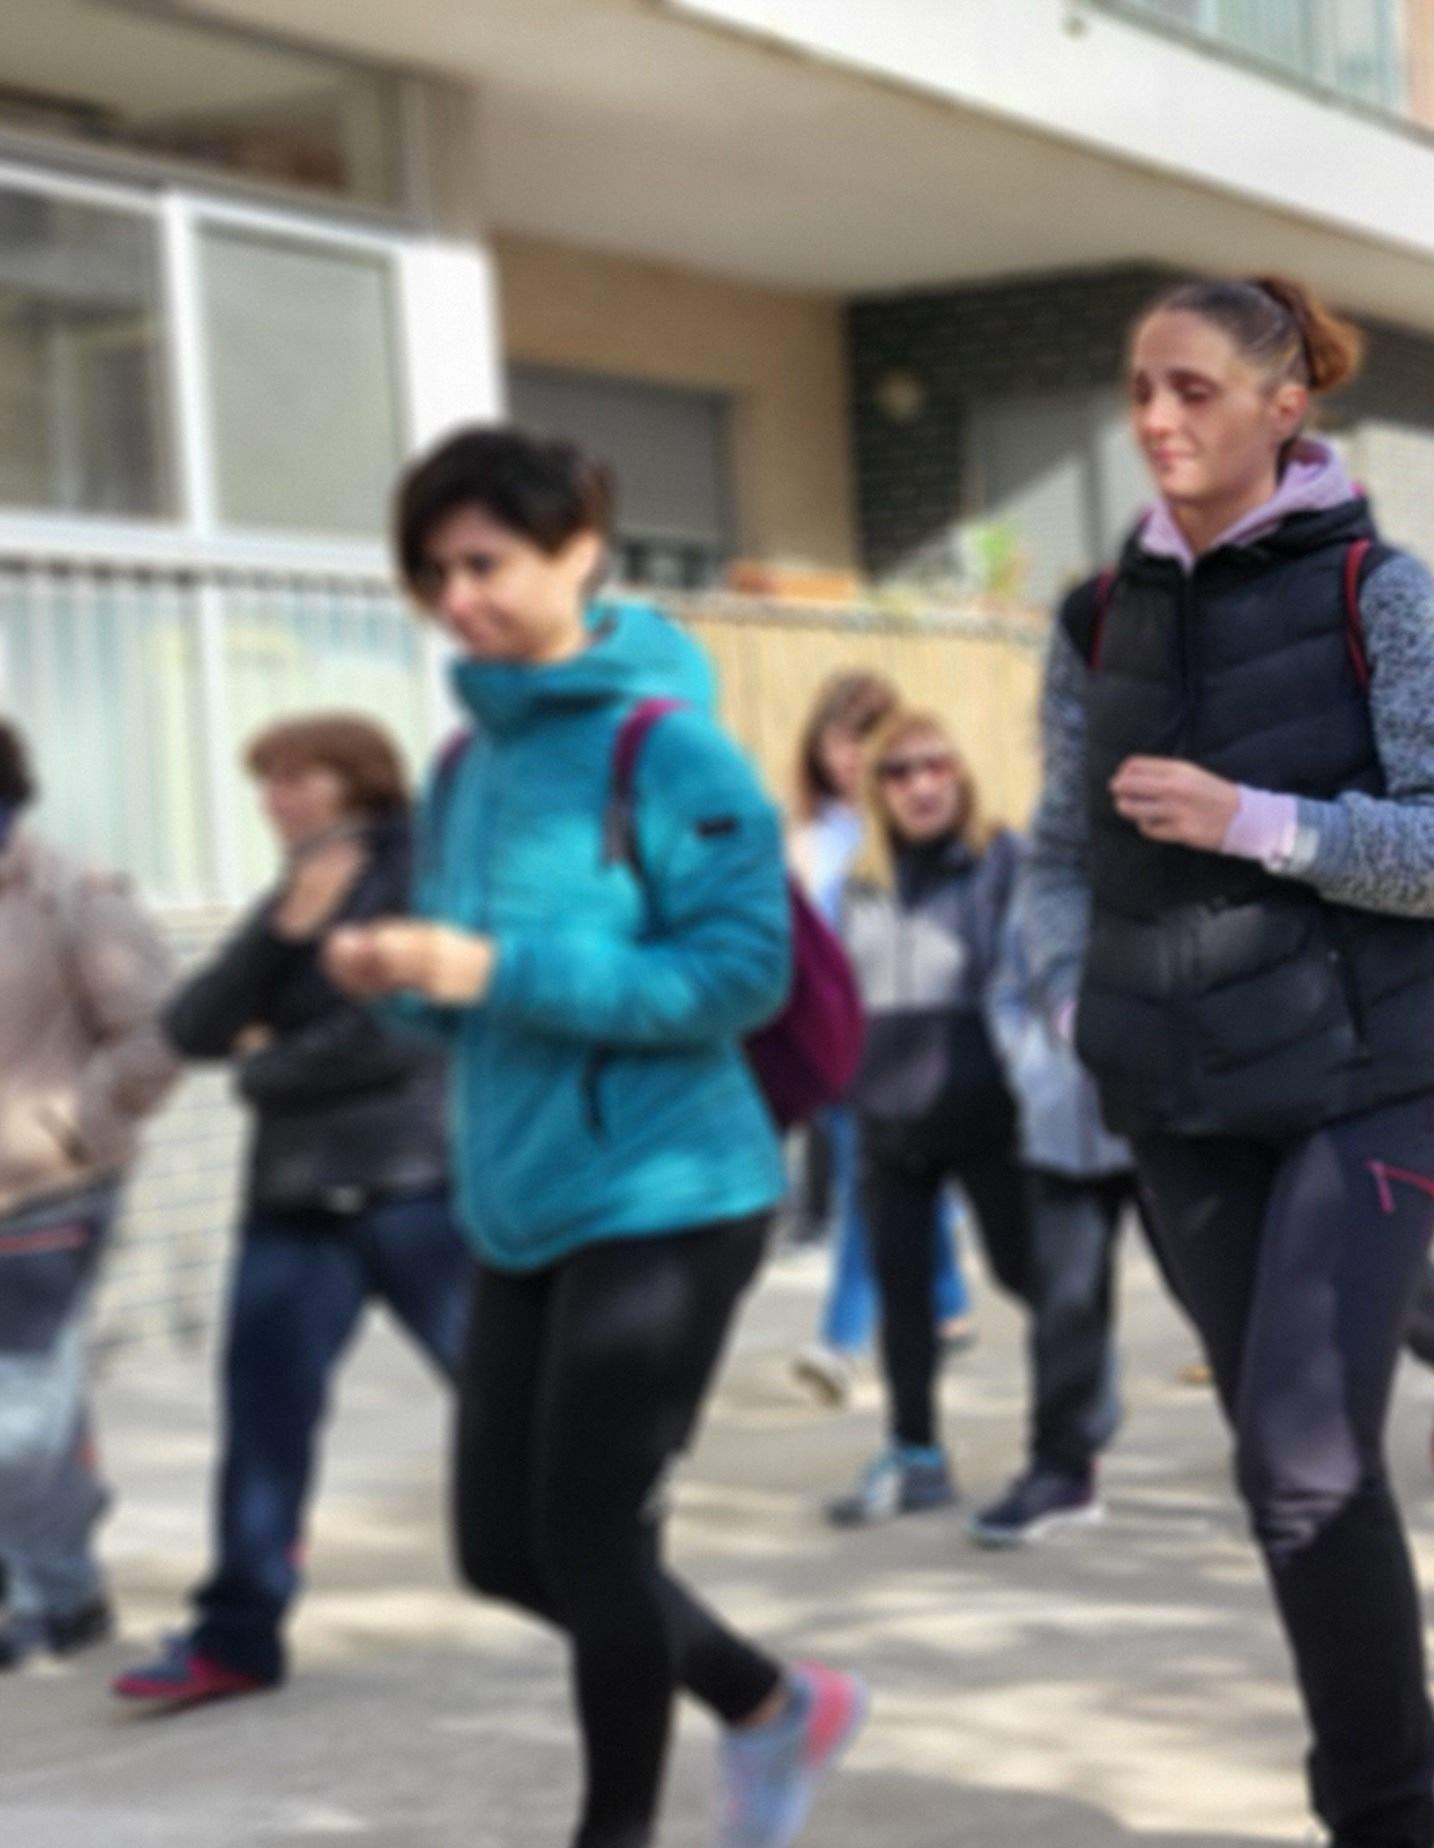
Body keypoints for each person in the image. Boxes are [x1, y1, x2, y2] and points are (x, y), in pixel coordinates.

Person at [1015, 273, 1434, 1846]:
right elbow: (1050, 848)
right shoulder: (1096, 615)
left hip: (1366, 1077)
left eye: (1194, 390)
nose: (1157, 419)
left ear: (1283, 405)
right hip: (1176, 1098)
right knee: (1282, 1476)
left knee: (1304, 1464)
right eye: (1140, 388)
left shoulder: (1378, 586)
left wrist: (1264, 823)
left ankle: (1384, 1824)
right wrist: (1061, 997)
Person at [329, 426, 861, 1848]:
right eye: (433, 571)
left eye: (487, 563)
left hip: (675, 1193)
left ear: (580, 554)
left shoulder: (668, 747)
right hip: (520, 1199)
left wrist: (487, 970)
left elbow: (736, 975)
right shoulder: (464, 766)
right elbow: (475, 1005)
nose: (459, 598)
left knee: (593, 1537)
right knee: (502, 1550)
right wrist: (403, 980)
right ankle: (769, 1702)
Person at [113, 715, 466, 1709]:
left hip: (413, 1186)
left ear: (355, 782)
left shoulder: (418, 872)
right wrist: (280, 933)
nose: (272, 799)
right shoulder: (293, 891)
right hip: (294, 1200)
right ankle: (238, 1634)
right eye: (264, 781)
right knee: (263, 1421)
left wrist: (264, 1066)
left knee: (506, 1399)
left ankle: (609, 1582)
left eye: (293, 778)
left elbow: (395, 1035)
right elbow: (190, 1024)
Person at [815, 706, 1045, 1530]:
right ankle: (916, 1456)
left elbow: (1031, 976)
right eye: (899, 771)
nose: (919, 784)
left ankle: (1065, 1442)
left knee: (1032, 1275)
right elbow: (835, 994)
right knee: (903, 1293)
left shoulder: (999, 860)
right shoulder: (858, 880)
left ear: (961, 774)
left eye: (934, 765)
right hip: (886, 1124)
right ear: (876, 788)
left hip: (985, 1113)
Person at [0, 717, 179, 1673]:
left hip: (42, 1186)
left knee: (21, 1406)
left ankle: (53, 1599)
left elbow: (156, 1031)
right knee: (36, 1403)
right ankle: (49, 1569)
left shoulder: (74, 891)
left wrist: (75, 1128)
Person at [786, 670, 974, 1406]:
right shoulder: (805, 834)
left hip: (895, 1034)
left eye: (865, 740)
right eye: (837, 740)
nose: (850, 756)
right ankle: (950, 1303)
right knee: (882, 1185)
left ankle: (841, 1339)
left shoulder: (900, 826)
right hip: (830, 1029)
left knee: (865, 1188)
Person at [976, 778, 1139, 1547]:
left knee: (1224, 1301)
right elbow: (1009, 987)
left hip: (1166, 1126)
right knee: (1064, 1307)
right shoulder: (1044, 870)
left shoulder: (1167, 847)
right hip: (1060, 1133)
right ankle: (1062, 1468)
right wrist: (1031, 1071)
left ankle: (1288, 1451)